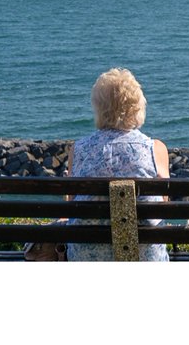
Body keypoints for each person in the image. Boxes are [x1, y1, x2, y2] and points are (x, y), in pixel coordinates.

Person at [65, 67, 171, 261]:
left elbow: (72, 205)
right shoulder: (155, 149)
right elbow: (163, 204)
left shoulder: (78, 150)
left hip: (86, 258)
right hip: (147, 259)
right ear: (138, 106)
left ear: (98, 107)